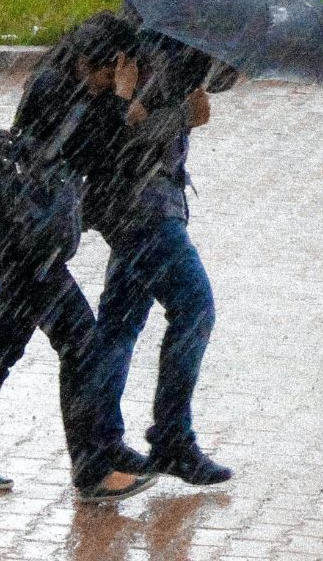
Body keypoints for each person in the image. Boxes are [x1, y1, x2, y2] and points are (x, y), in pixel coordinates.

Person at [0, 12, 159, 503]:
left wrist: (121, 108)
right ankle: (92, 470)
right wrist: (122, 106)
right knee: (80, 342)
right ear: (105, 62)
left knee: (0, 344)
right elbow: (95, 153)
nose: (121, 78)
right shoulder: (61, 90)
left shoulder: (62, 81)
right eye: (120, 69)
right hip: (26, 244)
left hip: (15, 237)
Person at [83, 28, 238, 486]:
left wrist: (205, 85)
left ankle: (102, 441)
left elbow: (216, 83)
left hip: (140, 202)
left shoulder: (176, 38)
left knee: (120, 321)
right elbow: (126, 132)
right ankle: (170, 437)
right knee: (194, 306)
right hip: (142, 208)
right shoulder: (148, 44)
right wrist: (183, 115)